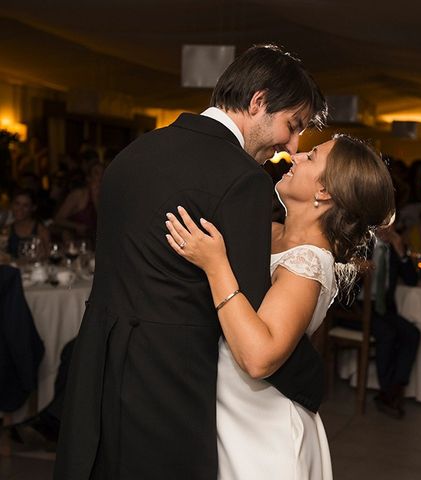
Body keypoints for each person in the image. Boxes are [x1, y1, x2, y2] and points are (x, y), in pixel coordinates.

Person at [54, 44, 328, 480]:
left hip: (98, 365)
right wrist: (313, 383)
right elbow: (251, 315)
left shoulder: (133, 154)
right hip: (169, 383)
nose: (290, 146)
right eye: (291, 126)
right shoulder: (243, 180)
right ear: (258, 102)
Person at [165, 135, 395, 478]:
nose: (297, 155)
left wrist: (216, 266)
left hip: (262, 431)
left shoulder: (308, 263)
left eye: (312, 156)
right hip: (226, 409)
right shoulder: (267, 230)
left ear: (324, 191)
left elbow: (259, 358)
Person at [369, 223, 421, 418]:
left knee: (412, 334)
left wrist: (401, 251)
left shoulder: (392, 248)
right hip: (358, 309)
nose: (386, 229)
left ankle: (393, 390)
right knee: (387, 334)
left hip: (384, 309)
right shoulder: (361, 243)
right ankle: (387, 392)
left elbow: (412, 280)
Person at [53, 160, 104, 242]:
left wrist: (96, 199)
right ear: (88, 178)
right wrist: (76, 226)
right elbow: (58, 219)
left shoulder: (107, 196)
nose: (101, 176)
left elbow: (103, 223)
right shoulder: (79, 194)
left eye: (103, 173)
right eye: (97, 173)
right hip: (76, 242)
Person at [5, 189, 50, 260]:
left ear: (33, 208)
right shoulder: (7, 229)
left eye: (25, 205)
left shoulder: (41, 230)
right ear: (12, 205)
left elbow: (47, 258)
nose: (20, 208)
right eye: (17, 204)